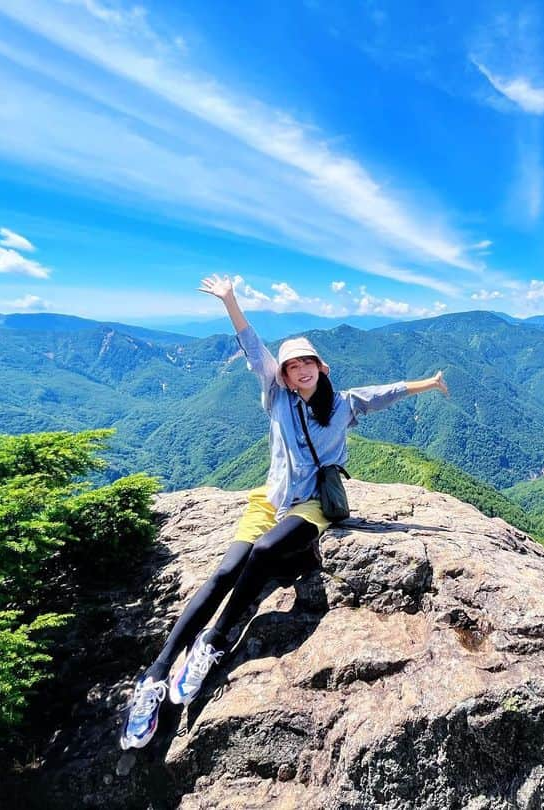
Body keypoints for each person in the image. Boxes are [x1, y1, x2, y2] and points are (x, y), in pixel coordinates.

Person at [120, 274, 449, 750]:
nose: (300, 371)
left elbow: (389, 391)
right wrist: (231, 302)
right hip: (270, 498)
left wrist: (430, 383)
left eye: (307, 363)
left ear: (321, 366)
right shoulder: (276, 398)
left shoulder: (343, 405)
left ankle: (213, 641)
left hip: (313, 504)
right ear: (285, 374)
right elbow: (254, 350)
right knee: (225, 570)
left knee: (266, 551)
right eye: (292, 366)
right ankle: (155, 673)